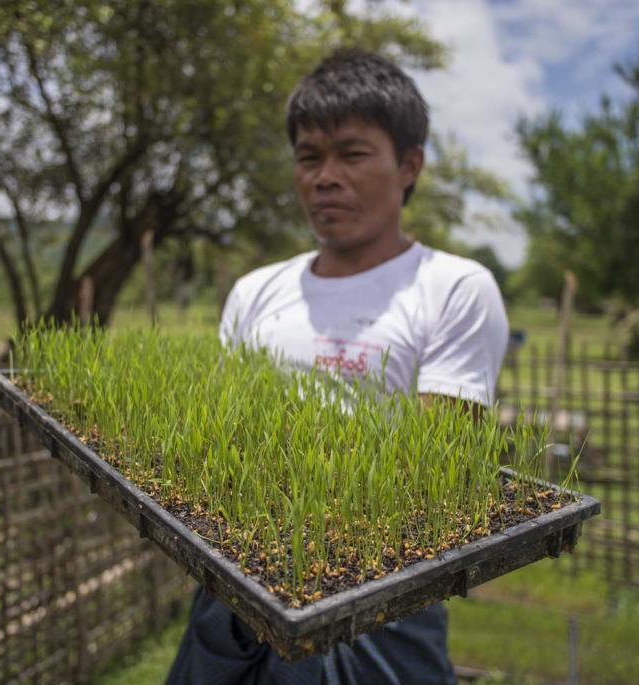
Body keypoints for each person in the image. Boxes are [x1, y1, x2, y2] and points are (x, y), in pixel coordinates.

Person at [166, 48, 509, 685]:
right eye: (308, 157)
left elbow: (423, 474)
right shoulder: (255, 291)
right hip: (239, 581)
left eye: (351, 154)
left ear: (409, 165)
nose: (326, 176)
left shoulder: (454, 287)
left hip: (383, 600)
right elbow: (220, 448)